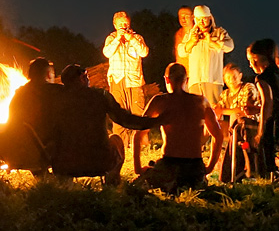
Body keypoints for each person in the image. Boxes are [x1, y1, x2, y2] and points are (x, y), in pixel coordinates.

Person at [47, 63, 160, 184]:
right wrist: (155, 121)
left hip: (65, 163)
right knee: (116, 139)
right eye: (87, 77)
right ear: (81, 78)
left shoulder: (55, 99)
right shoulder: (100, 96)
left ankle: (64, 188)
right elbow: (125, 120)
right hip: (98, 162)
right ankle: (111, 184)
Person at [134, 63, 224, 193]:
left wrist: (138, 168)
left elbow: (139, 133)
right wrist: (209, 167)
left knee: (137, 187)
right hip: (194, 166)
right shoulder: (201, 101)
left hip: (169, 165)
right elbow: (218, 135)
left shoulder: (160, 101)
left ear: (166, 79)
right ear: (186, 80)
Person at [246, 39, 279, 189]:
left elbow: (267, 104)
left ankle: (260, 175)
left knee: (246, 132)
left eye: (251, 61)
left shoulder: (262, 78)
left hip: (275, 126)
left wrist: (260, 131)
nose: (250, 65)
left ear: (258, 58)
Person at [3, 57, 61, 175]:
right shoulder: (55, 92)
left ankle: (45, 180)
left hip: (20, 148)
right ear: (49, 74)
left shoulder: (19, 94)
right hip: (44, 147)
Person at [103, 11, 150, 151]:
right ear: (115, 25)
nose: (124, 26)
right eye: (121, 24)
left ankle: (140, 145)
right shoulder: (111, 38)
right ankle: (120, 146)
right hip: (117, 80)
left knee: (138, 113)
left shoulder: (137, 37)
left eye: (126, 23)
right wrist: (118, 39)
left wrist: (131, 39)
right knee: (118, 114)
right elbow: (106, 53)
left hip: (134, 80)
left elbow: (144, 52)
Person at [177, 4, 234, 106]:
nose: (201, 22)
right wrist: (191, 42)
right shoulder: (191, 34)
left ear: (209, 18)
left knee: (213, 113)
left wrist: (212, 42)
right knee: (196, 114)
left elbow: (230, 46)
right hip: (195, 81)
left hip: (213, 81)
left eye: (204, 19)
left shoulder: (219, 32)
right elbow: (181, 52)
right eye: (198, 19)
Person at [213, 62, 260, 181]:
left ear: (240, 75)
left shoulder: (248, 88)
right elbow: (219, 109)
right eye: (228, 78)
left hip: (251, 126)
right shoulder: (225, 94)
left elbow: (244, 110)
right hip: (234, 128)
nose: (231, 80)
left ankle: (247, 171)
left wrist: (223, 111)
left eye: (234, 77)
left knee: (240, 126)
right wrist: (216, 109)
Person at [173, 5, 194, 71]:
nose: (183, 19)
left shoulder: (197, 32)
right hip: (181, 72)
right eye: (181, 16)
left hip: (194, 72)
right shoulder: (178, 33)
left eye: (186, 16)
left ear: (192, 17)